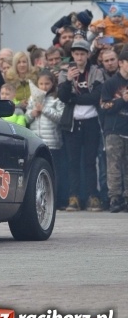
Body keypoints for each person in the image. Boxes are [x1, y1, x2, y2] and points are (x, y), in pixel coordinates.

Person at [58, 39, 105, 212]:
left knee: (90, 161)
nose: (79, 57)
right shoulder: (66, 73)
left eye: (82, 54)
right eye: (76, 54)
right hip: (72, 123)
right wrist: (69, 81)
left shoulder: (96, 72)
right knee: (73, 162)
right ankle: (74, 197)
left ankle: (93, 196)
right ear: (72, 55)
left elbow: (95, 97)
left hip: (92, 121)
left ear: (88, 55)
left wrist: (74, 98)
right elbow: (62, 96)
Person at [25, 70, 68, 210]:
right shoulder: (33, 99)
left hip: (52, 142)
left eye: (47, 83)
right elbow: (26, 119)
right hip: (36, 142)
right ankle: (39, 201)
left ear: (52, 84)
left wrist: (44, 110)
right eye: (41, 84)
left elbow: (60, 117)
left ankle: (57, 200)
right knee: (37, 173)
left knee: (54, 173)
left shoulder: (57, 99)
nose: (44, 86)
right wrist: (33, 113)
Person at [98, 48, 128, 213]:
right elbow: (104, 106)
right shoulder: (110, 83)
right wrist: (122, 100)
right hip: (114, 129)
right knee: (114, 165)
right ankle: (114, 198)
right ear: (122, 63)